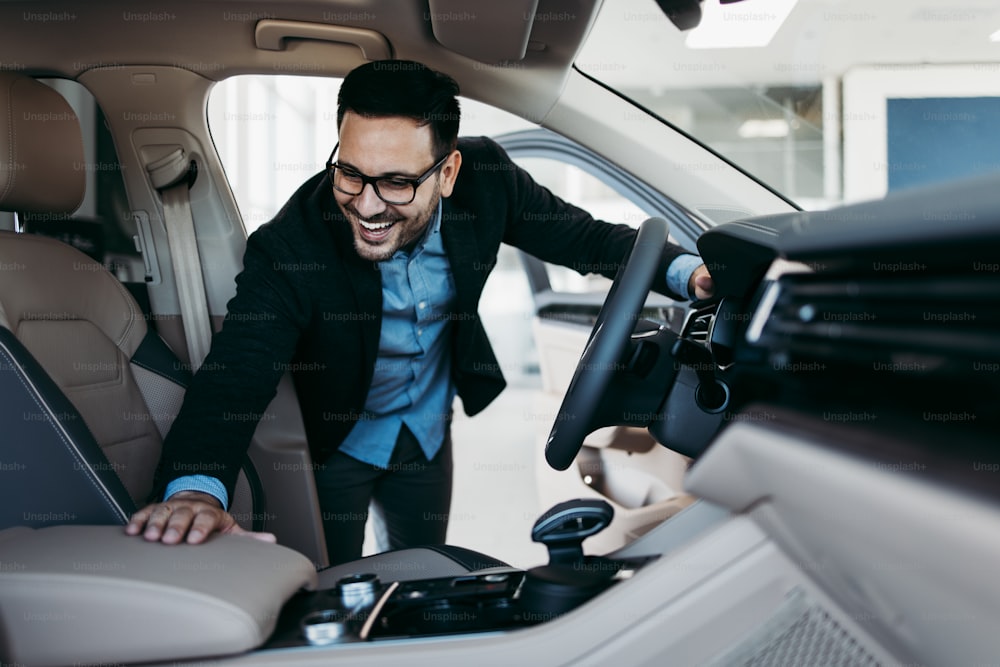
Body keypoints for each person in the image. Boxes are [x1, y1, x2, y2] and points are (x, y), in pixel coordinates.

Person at [126, 59, 714, 564]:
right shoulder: (291, 245)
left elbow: (590, 241)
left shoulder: (489, 182)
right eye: (350, 173)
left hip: (429, 431)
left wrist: (690, 273)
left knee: (424, 561)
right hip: (341, 441)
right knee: (337, 583)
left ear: (449, 172)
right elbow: (238, 371)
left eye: (398, 183)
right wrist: (195, 491)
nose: (368, 205)